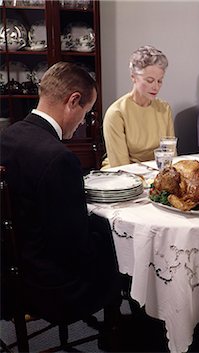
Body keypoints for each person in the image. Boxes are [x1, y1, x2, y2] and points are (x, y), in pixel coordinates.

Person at [0, 62, 121, 327]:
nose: (82, 123)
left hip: (8, 276)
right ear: (73, 100)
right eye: (86, 113)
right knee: (114, 251)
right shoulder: (59, 159)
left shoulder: (6, 137)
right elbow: (73, 245)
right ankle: (118, 335)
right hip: (49, 288)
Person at [102, 45, 175, 168]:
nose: (156, 87)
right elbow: (121, 166)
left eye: (160, 81)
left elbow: (170, 155)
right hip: (122, 175)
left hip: (155, 173)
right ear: (134, 78)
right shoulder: (117, 113)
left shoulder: (164, 108)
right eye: (150, 80)